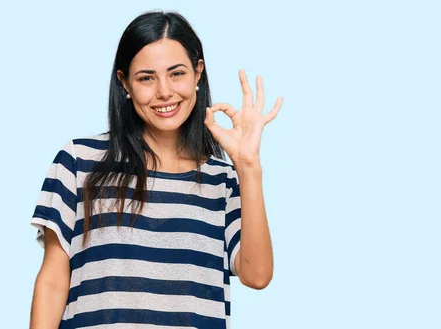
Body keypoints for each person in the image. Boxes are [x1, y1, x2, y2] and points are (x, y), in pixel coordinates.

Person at [29, 10, 283, 329]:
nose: (164, 91)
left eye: (176, 73)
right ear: (125, 83)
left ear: (198, 72)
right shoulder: (79, 160)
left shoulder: (224, 180)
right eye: (146, 78)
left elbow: (257, 276)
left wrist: (248, 166)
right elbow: (52, 281)